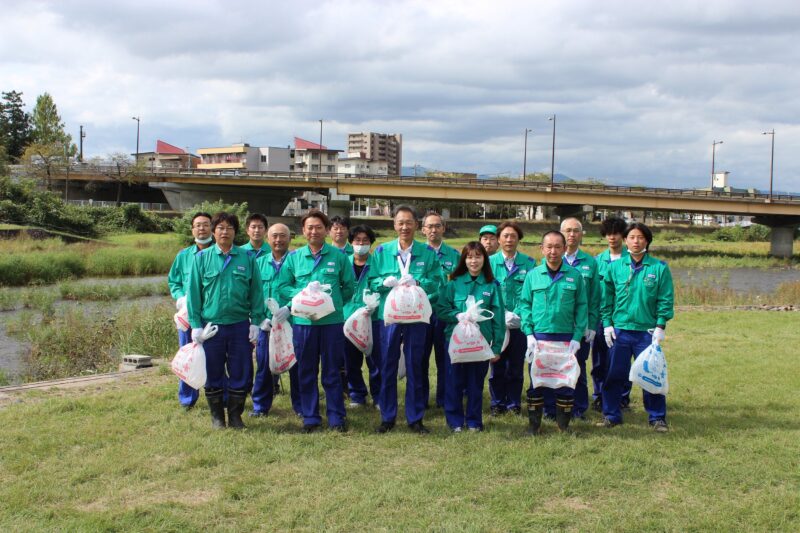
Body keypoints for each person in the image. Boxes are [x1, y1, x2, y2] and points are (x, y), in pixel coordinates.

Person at [276, 210, 356, 432]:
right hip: (303, 324)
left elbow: (349, 287)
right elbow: (282, 287)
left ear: (326, 230)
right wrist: (302, 294)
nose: (314, 231)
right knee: (306, 371)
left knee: (332, 371)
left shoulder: (339, 257)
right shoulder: (294, 258)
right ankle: (310, 417)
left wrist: (332, 303)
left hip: (331, 323)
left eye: (319, 227)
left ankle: (336, 418)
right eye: (309, 227)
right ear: (303, 231)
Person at [186, 212, 266, 429]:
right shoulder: (201, 259)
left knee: (241, 370)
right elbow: (193, 294)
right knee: (213, 371)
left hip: (240, 325)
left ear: (235, 232)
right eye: (220, 227)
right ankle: (217, 417)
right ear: (214, 232)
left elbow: (256, 293)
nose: (224, 231)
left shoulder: (247, 258)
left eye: (229, 227)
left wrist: (256, 322)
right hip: (212, 327)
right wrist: (195, 325)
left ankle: (236, 415)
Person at [370, 205, 443, 434]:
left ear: (416, 225)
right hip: (390, 317)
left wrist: (420, 283)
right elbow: (370, 281)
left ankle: (415, 417)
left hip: (417, 317)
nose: (404, 227)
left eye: (408, 222)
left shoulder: (428, 253)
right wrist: (383, 283)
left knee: (415, 365)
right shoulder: (381, 252)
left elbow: (438, 283)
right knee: (387, 365)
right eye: (400, 222)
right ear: (394, 225)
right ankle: (388, 416)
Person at [599, 222, 674, 432]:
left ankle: (657, 418)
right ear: (625, 241)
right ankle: (612, 415)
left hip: (647, 333)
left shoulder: (659, 268)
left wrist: (660, 326)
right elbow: (606, 300)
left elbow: (665, 300)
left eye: (640, 237)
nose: (635, 241)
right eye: (631, 237)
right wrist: (607, 325)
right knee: (614, 375)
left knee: (652, 375)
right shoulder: (614, 267)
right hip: (620, 330)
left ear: (647, 241)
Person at [518, 231, 588, 434]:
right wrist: (529, 334)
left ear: (565, 248)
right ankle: (534, 426)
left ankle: (563, 426)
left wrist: (577, 337)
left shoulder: (574, 276)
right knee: (537, 381)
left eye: (558, 246)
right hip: (539, 338)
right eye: (549, 246)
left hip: (565, 339)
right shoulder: (533, 276)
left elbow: (581, 308)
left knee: (565, 381)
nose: (553, 251)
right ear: (542, 249)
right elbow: (525, 305)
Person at [435, 242, 505, 432]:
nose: (473, 261)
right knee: (453, 381)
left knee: (475, 383)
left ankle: (474, 421)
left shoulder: (491, 286)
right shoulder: (453, 284)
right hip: (455, 342)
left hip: (480, 343)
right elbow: (441, 309)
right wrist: (457, 315)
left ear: (485, 259)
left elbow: (498, 317)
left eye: (478, 256)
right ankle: (455, 421)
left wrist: (496, 347)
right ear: (463, 260)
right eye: (469, 257)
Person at [540, 217, 600, 421]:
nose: (572, 234)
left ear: (582, 235)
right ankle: (552, 408)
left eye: (576, 231)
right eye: (567, 230)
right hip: (554, 327)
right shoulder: (550, 259)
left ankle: (578, 408)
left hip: (579, 328)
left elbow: (592, 298)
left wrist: (591, 325)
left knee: (577, 367)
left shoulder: (590, 262)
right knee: (551, 367)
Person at [250, 222, 302, 418]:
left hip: (294, 322)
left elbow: (304, 289)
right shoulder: (258, 263)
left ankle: (301, 407)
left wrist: (290, 308)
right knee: (264, 364)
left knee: (296, 365)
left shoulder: (298, 261)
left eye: (283, 236)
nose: (278, 240)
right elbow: (253, 294)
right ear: (267, 239)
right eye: (274, 236)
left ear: (290, 238)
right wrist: (259, 318)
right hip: (267, 325)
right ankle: (260, 406)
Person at [488, 221, 536, 416]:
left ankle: (514, 403)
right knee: (496, 365)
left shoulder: (529, 263)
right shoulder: (489, 262)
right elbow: (488, 292)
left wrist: (518, 313)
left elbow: (531, 292)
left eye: (513, 236)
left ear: (518, 239)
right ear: (498, 239)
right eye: (505, 236)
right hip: (496, 324)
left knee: (516, 366)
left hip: (520, 324)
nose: (509, 239)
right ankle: (497, 403)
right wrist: (502, 314)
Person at [167, 211, 213, 410]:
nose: (201, 228)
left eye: (205, 224)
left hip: (211, 314)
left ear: (212, 227)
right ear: (192, 229)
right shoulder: (184, 255)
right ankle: (187, 398)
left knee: (214, 356)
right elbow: (174, 281)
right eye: (198, 225)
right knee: (188, 355)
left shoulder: (219, 253)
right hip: (188, 315)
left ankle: (217, 395)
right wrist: (180, 298)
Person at [421, 211, 461, 409]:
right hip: (420, 314)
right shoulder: (417, 254)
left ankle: (444, 398)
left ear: (444, 228)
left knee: (445, 357)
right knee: (419, 358)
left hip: (444, 314)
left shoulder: (454, 255)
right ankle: (420, 398)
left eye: (437, 226)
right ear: (423, 230)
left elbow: (459, 284)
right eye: (429, 226)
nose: (433, 230)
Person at [593, 217, 631, 411]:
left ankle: (623, 397)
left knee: (621, 361)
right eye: (608, 233)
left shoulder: (630, 260)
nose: (612, 237)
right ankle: (599, 395)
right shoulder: (597, 261)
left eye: (616, 233)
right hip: (600, 317)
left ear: (623, 236)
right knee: (599, 360)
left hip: (623, 318)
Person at [342, 224, 381, 408]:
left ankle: (378, 395)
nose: (361, 244)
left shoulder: (378, 263)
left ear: (371, 243)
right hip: (348, 318)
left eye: (365, 241)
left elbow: (382, 287)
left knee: (375, 360)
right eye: (357, 240)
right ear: (351, 243)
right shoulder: (343, 262)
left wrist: (373, 304)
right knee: (351, 360)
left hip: (372, 318)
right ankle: (357, 394)